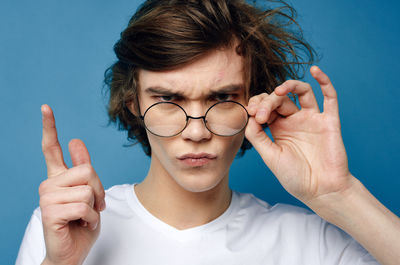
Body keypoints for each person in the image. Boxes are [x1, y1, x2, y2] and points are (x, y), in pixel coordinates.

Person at [16, 0, 400, 264]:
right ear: (133, 103)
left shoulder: (310, 242)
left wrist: (340, 195)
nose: (197, 131)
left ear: (254, 102)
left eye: (222, 97)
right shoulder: (65, 226)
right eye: (168, 99)